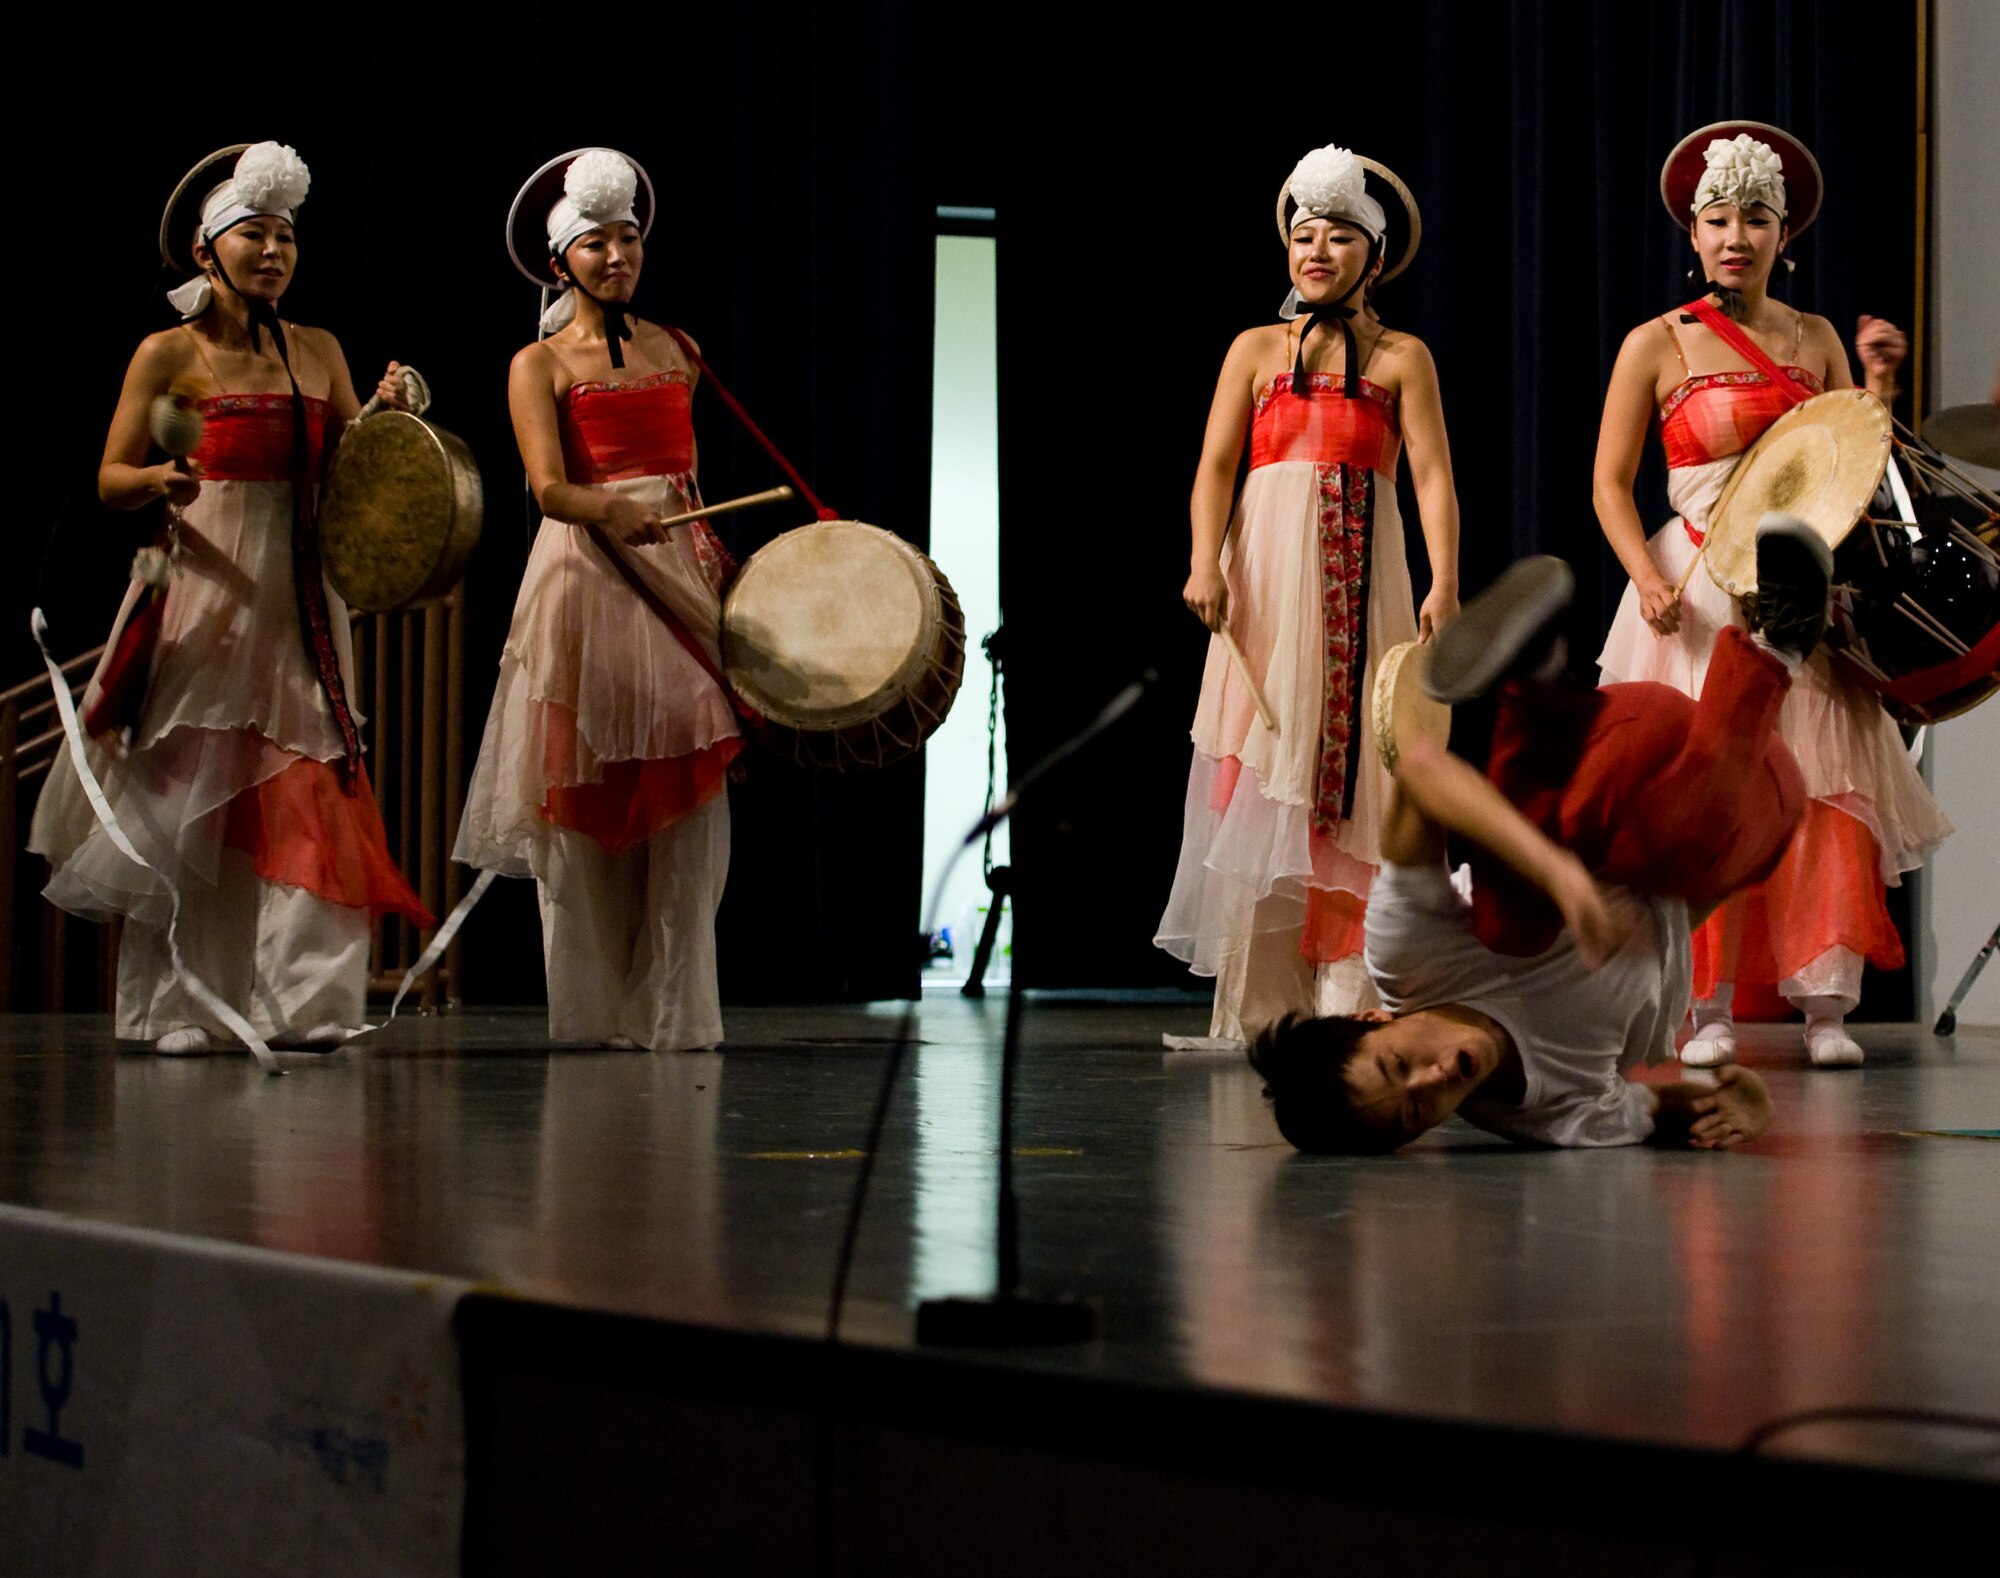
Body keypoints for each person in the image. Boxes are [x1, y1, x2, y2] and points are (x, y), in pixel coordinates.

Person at [1251, 519, 1837, 1153]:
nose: (1436, 1076)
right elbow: (1678, 1110)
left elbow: (1420, 770)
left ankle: (1536, 681)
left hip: (1610, 749)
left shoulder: (1409, 963)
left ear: (1370, 1020)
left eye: (1399, 1065)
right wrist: (1747, 1103)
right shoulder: (1556, 1113)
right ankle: (1778, 640)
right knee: (1660, 849)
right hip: (1747, 804)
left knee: (1512, 920)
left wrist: (1562, 879)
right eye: (1418, 1111)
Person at [30, 142, 430, 1055]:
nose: (275, 251)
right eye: (254, 234)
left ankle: (305, 1003)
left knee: (306, 785)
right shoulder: (168, 351)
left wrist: (385, 410)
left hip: (298, 593)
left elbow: (348, 465)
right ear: (208, 252)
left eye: (286, 236)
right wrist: (159, 480)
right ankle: (175, 1005)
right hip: (208, 580)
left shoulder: (316, 348)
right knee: (194, 792)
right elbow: (108, 476)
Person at [1593, 122, 1950, 1067]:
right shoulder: (1655, 345)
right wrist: (1646, 575)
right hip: (1699, 586)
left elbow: (1862, 453)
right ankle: (1702, 1005)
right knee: (1710, 787)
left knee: (1824, 785)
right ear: (1693, 234)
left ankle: (1825, 1006)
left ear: (1782, 236)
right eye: (1719, 219)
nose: (1736, 235)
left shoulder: (1815, 335)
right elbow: (1607, 482)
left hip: (1804, 591)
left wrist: (1875, 379)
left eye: (1756, 218)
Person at [1157, 143, 1461, 1044]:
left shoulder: (1403, 357)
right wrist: (1202, 560)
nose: (1316, 253)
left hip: (1365, 575)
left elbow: (1435, 477)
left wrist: (1446, 580)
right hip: (1270, 580)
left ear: (1371, 252)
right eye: (1302, 237)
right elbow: (1215, 467)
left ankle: (1345, 983)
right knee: (1271, 759)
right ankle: (1261, 1001)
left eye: (1335, 237)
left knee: (1356, 764)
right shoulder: (1255, 351)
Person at [455, 148, 740, 1053]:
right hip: (586, 572)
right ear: (559, 261)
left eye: (628, 239)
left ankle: (677, 1010)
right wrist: (615, 508)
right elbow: (545, 488)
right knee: (584, 793)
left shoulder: (679, 349)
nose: (617, 257)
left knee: (689, 783)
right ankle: (592, 1012)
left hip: (676, 565)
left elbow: (689, 479)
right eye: (595, 245)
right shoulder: (536, 363)